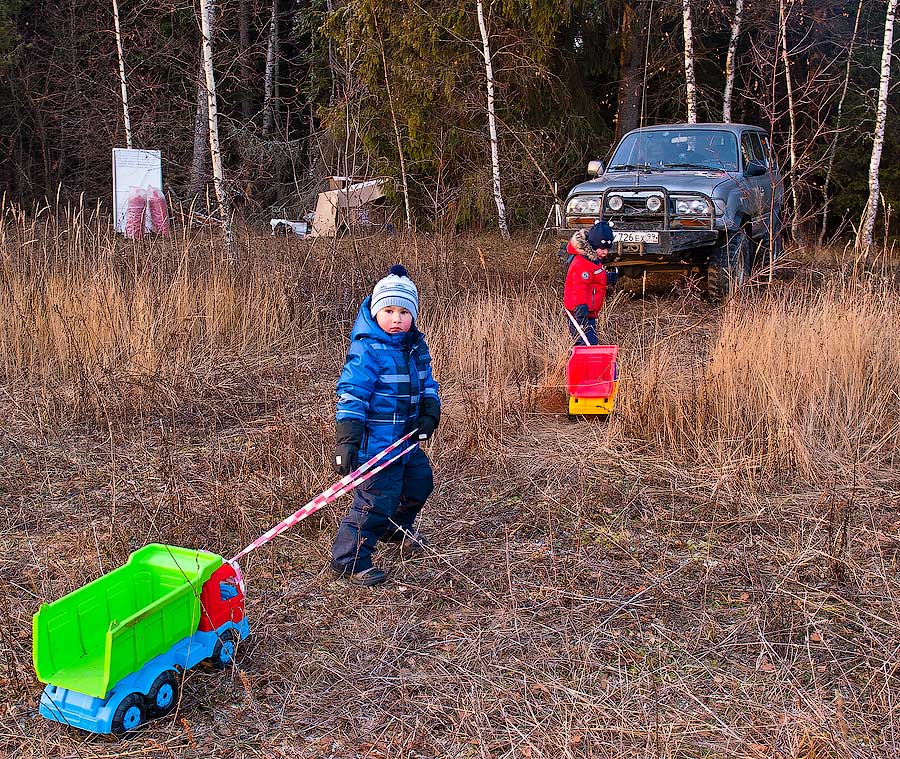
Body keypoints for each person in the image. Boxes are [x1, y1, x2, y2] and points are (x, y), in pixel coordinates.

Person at [329, 264, 441, 586]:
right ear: (376, 312)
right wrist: (347, 439)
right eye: (389, 311)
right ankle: (349, 560)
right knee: (376, 501)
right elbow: (352, 394)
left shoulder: (415, 346)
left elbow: (428, 384)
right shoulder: (367, 349)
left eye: (404, 312)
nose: (396, 319)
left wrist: (430, 411)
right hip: (375, 446)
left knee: (420, 483)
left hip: (406, 442)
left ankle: (395, 528)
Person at [563, 221, 618, 345]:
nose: (605, 252)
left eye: (607, 249)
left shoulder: (592, 260)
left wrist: (607, 278)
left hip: (589, 313)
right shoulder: (582, 263)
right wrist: (580, 307)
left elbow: (593, 279)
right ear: (593, 245)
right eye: (602, 248)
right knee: (586, 345)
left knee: (589, 343)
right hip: (579, 313)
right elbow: (578, 286)